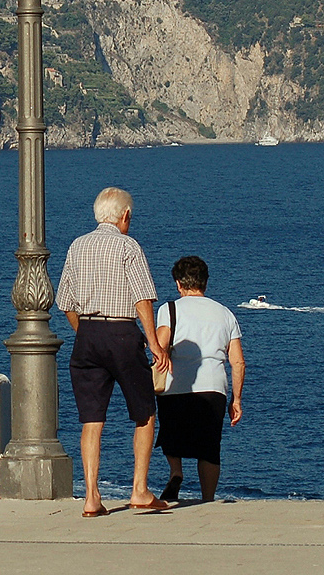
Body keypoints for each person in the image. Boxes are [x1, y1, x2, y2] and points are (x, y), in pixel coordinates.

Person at [55, 186, 174, 517]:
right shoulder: (128, 246)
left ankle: (91, 497)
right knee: (144, 410)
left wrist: (86, 332)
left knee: (92, 419)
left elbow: (65, 301)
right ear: (125, 216)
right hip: (122, 332)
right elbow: (143, 298)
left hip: (88, 334)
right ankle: (139, 490)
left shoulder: (77, 246)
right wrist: (153, 343)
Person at [154, 255, 245, 503]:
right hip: (213, 388)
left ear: (178, 284)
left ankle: (176, 471)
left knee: (171, 435)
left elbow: (160, 344)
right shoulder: (225, 314)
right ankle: (208, 498)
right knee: (209, 447)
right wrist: (236, 400)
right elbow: (237, 361)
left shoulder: (169, 309)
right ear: (205, 282)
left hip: (175, 385)